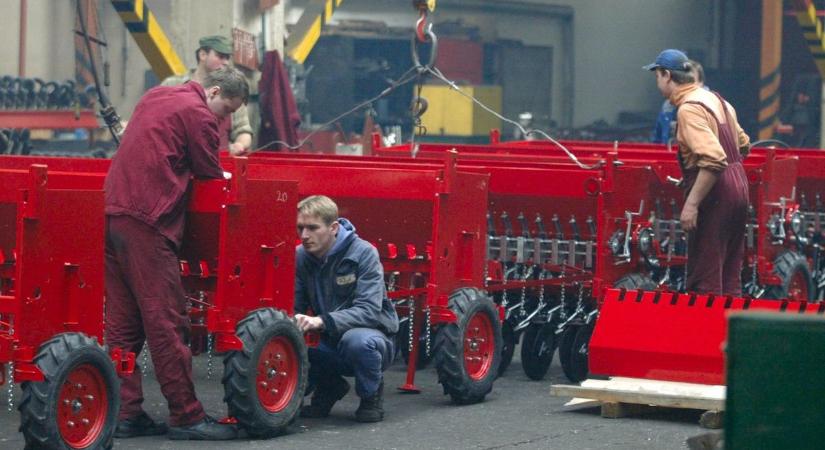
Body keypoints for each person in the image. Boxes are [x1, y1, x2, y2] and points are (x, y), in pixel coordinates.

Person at [105, 66, 249, 440]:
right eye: (226, 109)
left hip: (112, 213)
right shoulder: (198, 112)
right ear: (213, 91)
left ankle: (124, 412)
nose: (225, 119)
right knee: (167, 322)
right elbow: (209, 170)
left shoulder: (153, 96)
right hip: (149, 220)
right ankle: (187, 415)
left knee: (123, 325)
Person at [645, 49, 750, 296]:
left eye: (657, 76)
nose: (657, 83)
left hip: (716, 197)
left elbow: (714, 159)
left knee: (705, 279)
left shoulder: (689, 109)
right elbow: (742, 144)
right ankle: (729, 332)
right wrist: (698, 174)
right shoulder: (717, 100)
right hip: (738, 191)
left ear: (667, 75)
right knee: (728, 275)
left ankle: (706, 334)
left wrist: (692, 203)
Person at [293, 195, 399, 423]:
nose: (304, 236)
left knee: (358, 342)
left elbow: (369, 310)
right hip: (328, 336)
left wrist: (321, 321)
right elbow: (294, 304)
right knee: (290, 336)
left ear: (333, 228)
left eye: (312, 228)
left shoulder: (363, 253)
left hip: (372, 334)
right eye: (300, 228)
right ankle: (329, 387)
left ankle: (371, 395)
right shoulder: (301, 256)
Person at [162, 35, 253, 156]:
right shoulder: (172, 85)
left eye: (227, 58)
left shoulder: (233, 92)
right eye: (220, 56)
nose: (225, 62)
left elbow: (243, 130)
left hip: (219, 164)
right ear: (203, 55)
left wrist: (239, 145)